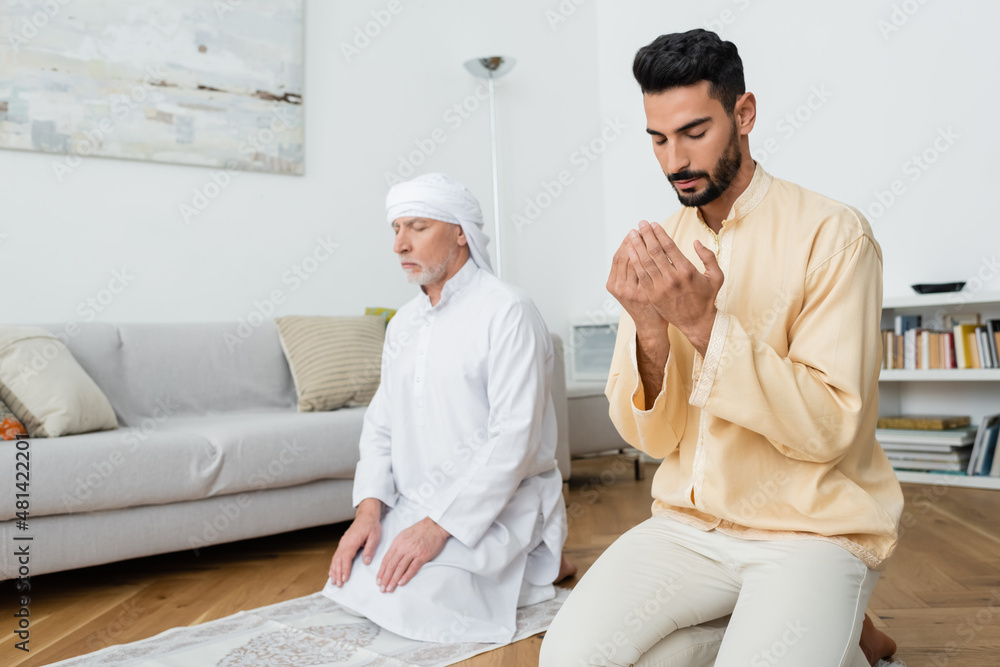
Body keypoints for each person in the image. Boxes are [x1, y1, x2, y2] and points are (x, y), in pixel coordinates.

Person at [539, 29, 903, 667]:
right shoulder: (662, 249)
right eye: (657, 138)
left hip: (810, 531)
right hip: (689, 528)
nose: (673, 158)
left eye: (694, 131)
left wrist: (704, 324)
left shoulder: (834, 234)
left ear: (744, 114)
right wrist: (652, 332)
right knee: (567, 659)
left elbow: (829, 428)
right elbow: (651, 440)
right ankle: (839, 634)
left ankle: (828, 623)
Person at [323, 172, 574, 644]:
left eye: (416, 227)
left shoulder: (508, 311)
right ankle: (524, 568)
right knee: (356, 582)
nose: (400, 244)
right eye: (395, 229)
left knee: (417, 609)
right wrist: (368, 513)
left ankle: (543, 558)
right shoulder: (402, 323)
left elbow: (514, 439)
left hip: (497, 506)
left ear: (461, 232)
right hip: (418, 504)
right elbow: (381, 426)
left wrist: (439, 528)